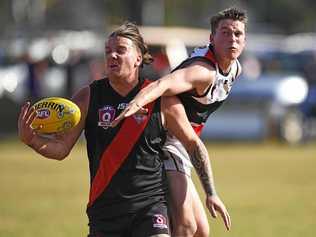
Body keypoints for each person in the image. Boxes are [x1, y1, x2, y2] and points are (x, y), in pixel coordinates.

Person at [18, 22, 230, 237]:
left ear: (139, 58)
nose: (112, 56)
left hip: (149, 209)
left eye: (121, 50)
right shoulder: (88, 96)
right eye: (108, 51)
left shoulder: (161, 99)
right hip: (104, 211)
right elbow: (61, 148)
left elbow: (193, 144)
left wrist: (211, 192)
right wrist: (33, 140)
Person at [112, 7, 247, 237]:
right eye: (225, 32)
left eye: (238, 34)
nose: (232, 39)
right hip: (163, 141)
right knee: (185, 226)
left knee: (201, 231)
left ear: (244, 40)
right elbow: (162, 85)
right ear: (212, 38)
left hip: (183, 143)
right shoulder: (202, 71)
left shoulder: (235, 69)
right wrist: (133, 105)